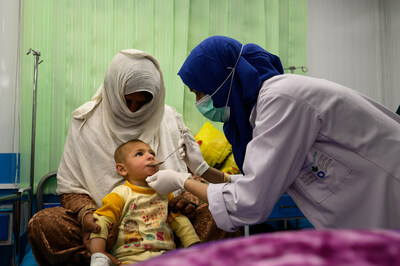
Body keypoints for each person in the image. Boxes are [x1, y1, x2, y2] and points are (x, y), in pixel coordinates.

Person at [146, 35, 400, 232]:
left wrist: (181, 180)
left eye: (198, 92)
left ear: (220, 81)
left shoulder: (280, 100)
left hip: (388, 187)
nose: (200, 102)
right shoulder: (264, 108)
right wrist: (202, 170)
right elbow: (263, 181)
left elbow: (252, 201)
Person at [28, 49, 201, 265]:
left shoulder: (167, 119)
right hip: (103, 230)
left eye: (142, 103)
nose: (132, 110)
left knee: (220, 213)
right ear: (113, 90)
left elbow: (196, 174)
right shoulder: (85, 123)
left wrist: (188, 201)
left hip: (165, 226)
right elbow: (72, 188)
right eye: (127, 101)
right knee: (45, 223)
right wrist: (88, 218)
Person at [89, 139, 199, 266]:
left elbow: (180, 222)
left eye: (152, 153)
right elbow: (102, 222)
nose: (150, 156)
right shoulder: (119, 195)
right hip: (129, 260)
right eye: (139, 154)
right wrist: (98, 253)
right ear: (122, 169)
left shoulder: (164, 193)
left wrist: (196, 248)